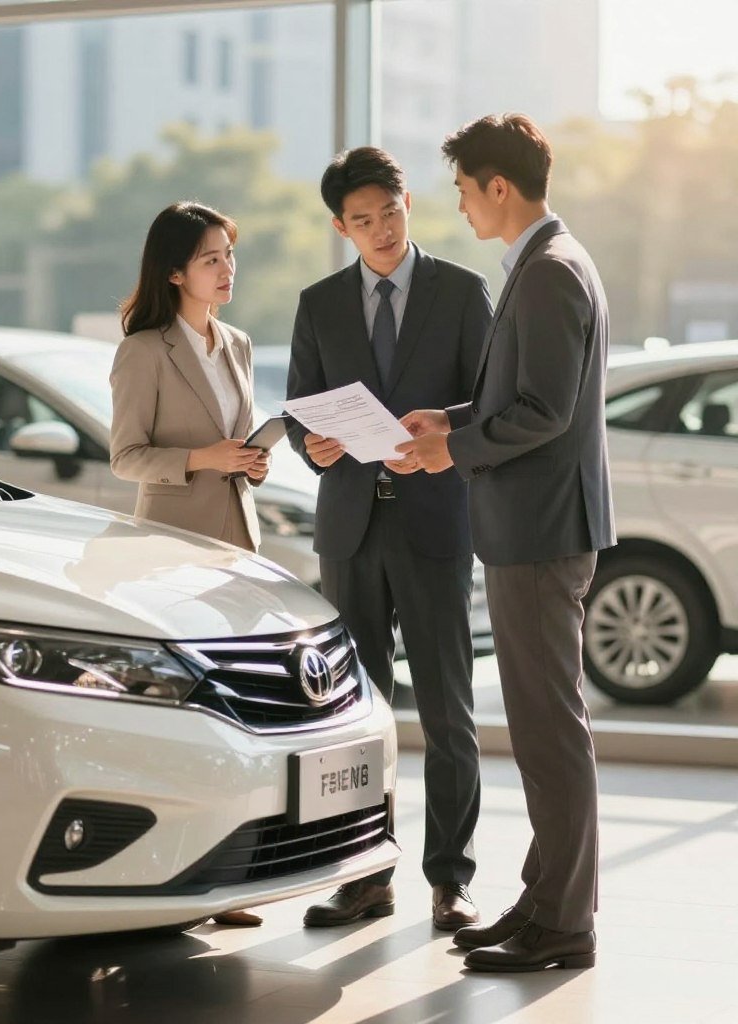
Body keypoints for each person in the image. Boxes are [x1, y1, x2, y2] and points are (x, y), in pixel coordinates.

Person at [394, 113, 616, 972]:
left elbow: (544, 411)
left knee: (549, 733)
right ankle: (544, 901)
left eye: (463, 191)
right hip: (537, 527)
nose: (459, 208)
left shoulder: (550, 270)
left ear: (498, 186)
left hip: (540, 531)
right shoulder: (547, 261)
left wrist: (454, 448)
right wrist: (448, 418)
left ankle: (564, 923)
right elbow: (521, 396)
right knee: (541, 729)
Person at [287, 147, 493, 930]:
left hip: (435, 522)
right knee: (354, 718)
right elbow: (302, 405)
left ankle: (451, 878)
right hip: (350, 529)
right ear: (341, 227)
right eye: (362, 220)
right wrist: (314, 445)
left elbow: (489, 403)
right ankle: (366, 876)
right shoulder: (319, 303)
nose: (380, 230)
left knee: (447, 710)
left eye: (390, 212)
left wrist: (445, 435)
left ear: (408, 205)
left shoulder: (462, 292)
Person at [110, 201, 269, 928]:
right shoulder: (144, 351)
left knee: (235, 717)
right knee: (185, 720)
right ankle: (173, 879)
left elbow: (238, 443)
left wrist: (252, 463)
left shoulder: (237, 343)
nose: (227, 268)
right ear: (175, 272)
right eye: (211, 259)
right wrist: (204, 458)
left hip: (237, 550)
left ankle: (227, 879)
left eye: (229, 255)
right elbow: (126, 457)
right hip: (172, 553)